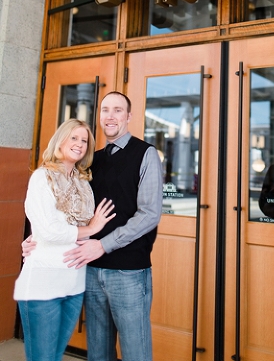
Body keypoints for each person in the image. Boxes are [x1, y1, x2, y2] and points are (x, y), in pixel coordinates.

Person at [23, 91, 163, 361]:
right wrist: (37, 239)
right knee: (98, 353)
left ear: (129, 116)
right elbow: (62, 210)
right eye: (105, 110)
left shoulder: (145, 154)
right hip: (89, 269)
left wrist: (102, 245)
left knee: (136, 353)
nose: (110, 116)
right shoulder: (90, 161)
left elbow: (149, 214)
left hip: (128, 272)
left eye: (118, 110)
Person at [14, 119, 115, 361]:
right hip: (43, 284)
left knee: (55, 356)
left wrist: (89, 231)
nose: (79, 144)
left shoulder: (82, 183)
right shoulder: (42, 178)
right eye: (74, 138)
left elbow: (66, 230)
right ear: (60, 139)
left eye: (84, 141)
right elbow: (49, 229)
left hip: (74, 284)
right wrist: (91, 227)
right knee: (43, 358)